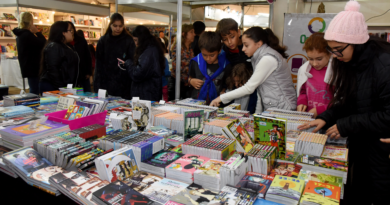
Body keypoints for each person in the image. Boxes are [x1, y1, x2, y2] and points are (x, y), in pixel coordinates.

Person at [297, 1, 390, 204]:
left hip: (381, 150)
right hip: (362, 143)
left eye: (338, 50)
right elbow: (348, 101)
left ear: (356, 43)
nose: (335, 56)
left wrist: (346, 124)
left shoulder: (383, 64)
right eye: (332, 51)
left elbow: (387, 116)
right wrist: (326, 117)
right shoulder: (348, 62)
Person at [210, 27, 297, 113]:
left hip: (283, 108)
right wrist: (257, 114)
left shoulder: (267, 59)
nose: (243, 48)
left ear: (258, 44)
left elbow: (249, 88)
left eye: (246, 45)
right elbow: (260, 91)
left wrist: (221, 98)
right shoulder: (258, 58)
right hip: (274, 107)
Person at [216, 18, 257, 113]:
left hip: (251, 90)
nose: (229, 42)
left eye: (232, 37)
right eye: (225, 39)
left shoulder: (249, 46)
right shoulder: (223, 51)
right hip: (232, 88)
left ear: (239, 32)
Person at [94, 13, 135, 99]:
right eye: (115, 26)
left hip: (123, 83)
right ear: (110, 25)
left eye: (120, 26)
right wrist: (97, 85)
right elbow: (99, 64)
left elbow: (132, 60)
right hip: (106, 81)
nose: (118, 28)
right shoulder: (103, 40)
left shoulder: (128, 40)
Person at [296, 32, 333, 118]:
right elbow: (303, 91)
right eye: (310, 59)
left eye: (319, 59)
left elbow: (341, 101)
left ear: (330, 53)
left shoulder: (336, 72)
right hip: (308, 117)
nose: (315, 63)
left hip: (329, 118)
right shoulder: (304, 69)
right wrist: (301, 102)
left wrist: (320, 110)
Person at [188, 31, 231, 104]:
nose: (208, 58)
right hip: (196, 102)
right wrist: (191, 81)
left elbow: (227, 84)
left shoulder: (225, 65)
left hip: (216, 104)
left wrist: (224, 91)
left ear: (219, 51)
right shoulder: (195, 62)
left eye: (212, 55)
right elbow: (189, 77)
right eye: (204, 55)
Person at [123, 26, 164, 101]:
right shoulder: (150, 48)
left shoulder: (148, 52)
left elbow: (138, 74)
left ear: (142, 39)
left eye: (136, 40)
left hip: (146, 95)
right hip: (147, 93)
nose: (135, 43)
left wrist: (128, 63)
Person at [39, 21, 79, 94]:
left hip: (63, 87)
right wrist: (62, 89)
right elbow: (53, 70)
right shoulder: (54, 47)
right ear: (63, 32)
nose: (72, 32)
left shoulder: (67, 46)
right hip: (53, 87)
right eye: (70, 30)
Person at [13, 12, 46, 95]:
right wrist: (37, 32)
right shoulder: (27, 35)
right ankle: (34, 106)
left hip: (28, 65)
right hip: (33, 66)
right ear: (31, 22)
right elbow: (43, 43)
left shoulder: (20, 34)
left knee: (34, 87)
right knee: (34, 89)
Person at [171, 24, 195, 100]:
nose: (194, 34)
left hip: (188, 85)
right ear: (184, 34)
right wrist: (189, 79)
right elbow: (176, 68)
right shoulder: (178, 48)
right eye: (191, 32)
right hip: (178, 84)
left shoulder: (190, 49)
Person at [67, 22, 92, 92]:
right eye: (68, 30)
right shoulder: (64, 43)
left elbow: (88, 56)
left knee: (87, 93)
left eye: (71, 29)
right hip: (71, 75)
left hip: (83, 73)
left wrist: (88, 72)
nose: (70, 31)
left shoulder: (81, 40)